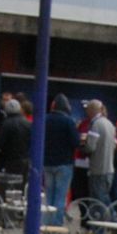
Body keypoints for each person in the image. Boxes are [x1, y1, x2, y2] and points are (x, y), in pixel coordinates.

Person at [42, 92, 79, 221]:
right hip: (64, 162)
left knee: (49, 194)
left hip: (47, 162)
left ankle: (46, 223)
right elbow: (76, 142)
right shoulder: (69, 121)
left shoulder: (44, 119)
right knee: (60, 195)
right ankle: (56, 225)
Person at [83, 99, 117, 206]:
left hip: (98, 169)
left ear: (92, 110)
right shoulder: (109, 124)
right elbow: (114, 144)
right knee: (104, 197)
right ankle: (110, 218)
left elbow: (90, 147)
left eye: (87, 109)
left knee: (98, 202)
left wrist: (83, 144)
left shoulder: (95, 125)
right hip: (109, 169)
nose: (86, 112)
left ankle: (111, 219)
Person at [0, 97, 31, 182]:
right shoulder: (27, 123)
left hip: (10, 160)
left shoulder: (6, 124)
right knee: (23, 184)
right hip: (25, 159)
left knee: (11, 184)